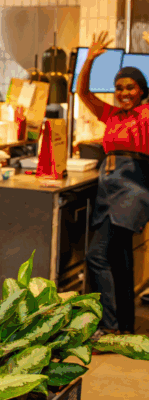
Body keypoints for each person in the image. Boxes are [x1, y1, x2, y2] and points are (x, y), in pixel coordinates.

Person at [77, 31, 148, 336]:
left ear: (141, 90)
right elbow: (83, 93)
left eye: (130, 87)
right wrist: (90, 60)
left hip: (132, 192)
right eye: (119, 88)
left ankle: (110, 326)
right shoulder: (112, 115)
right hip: (109, 192)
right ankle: (124, 326)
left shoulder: (146, 115)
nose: (124, 92)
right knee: (119, 259)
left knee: (98, 255)